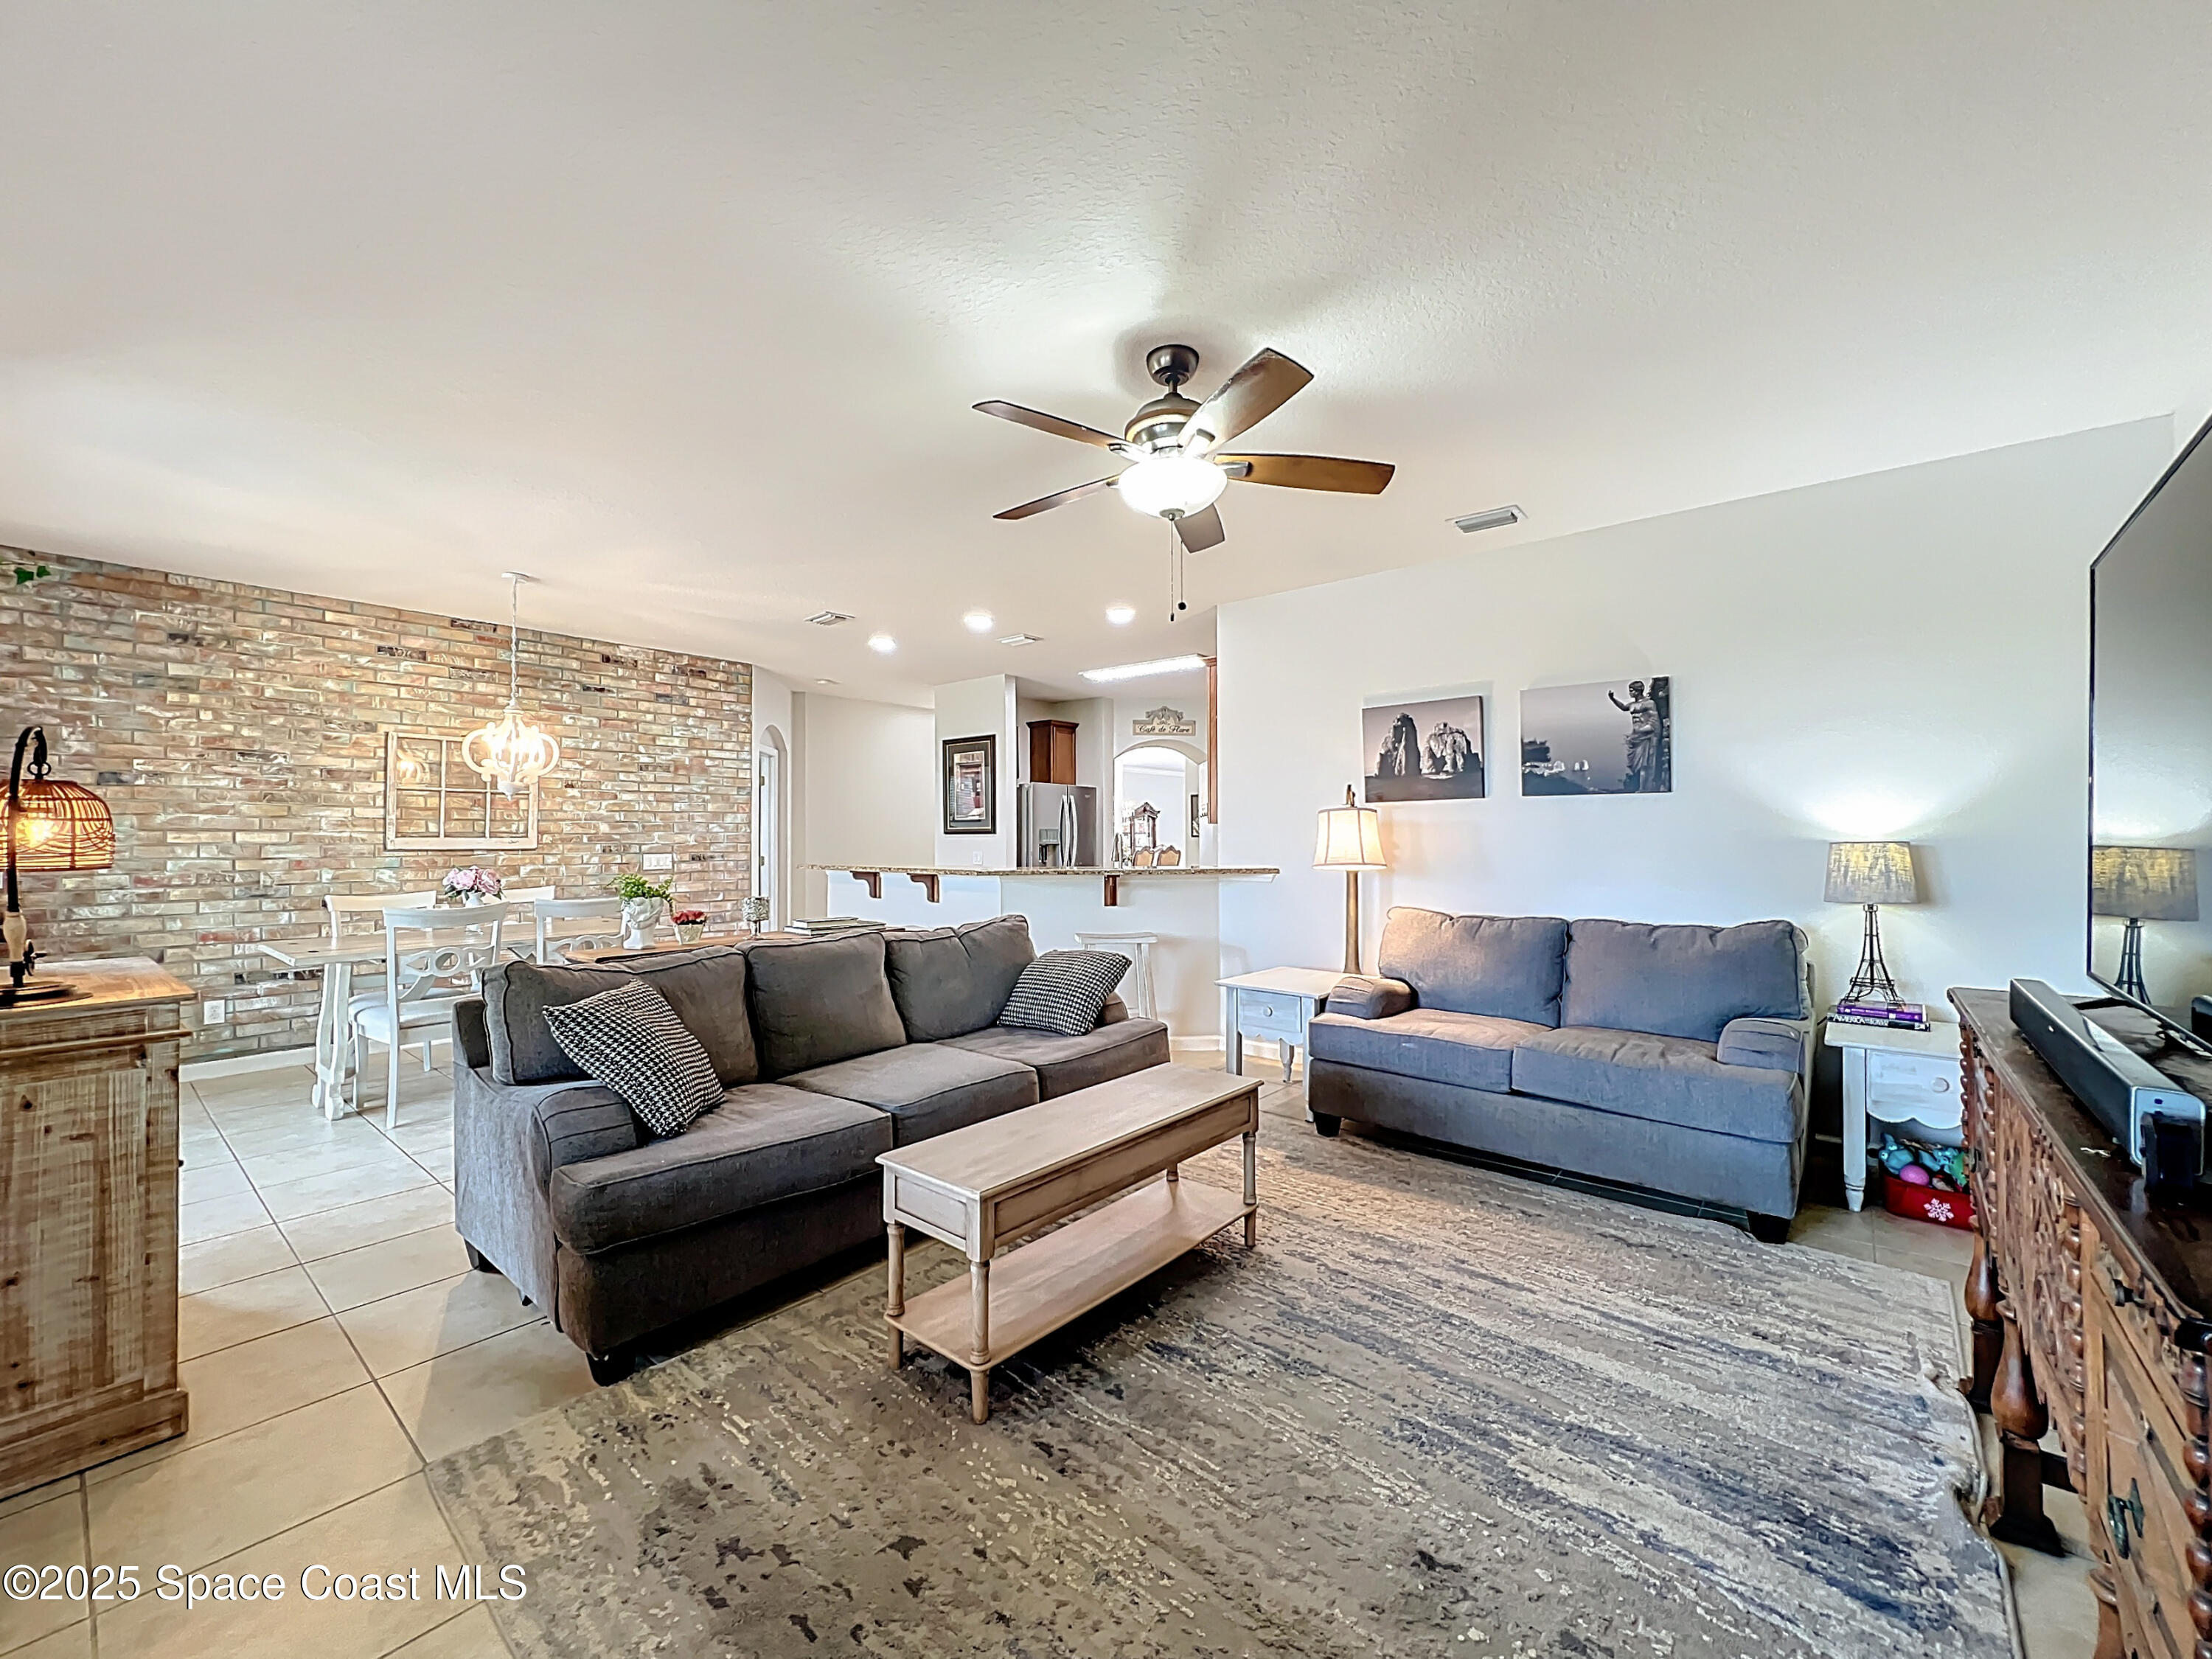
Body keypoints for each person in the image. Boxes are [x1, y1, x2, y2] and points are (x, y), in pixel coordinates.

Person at [1608, 681, 1661, 792]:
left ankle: (1644, 789)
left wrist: (1644, 730)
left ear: (1638, 691)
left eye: (1632, 691)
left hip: (1645, 736)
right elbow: (1623, 707)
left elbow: (1653, 721)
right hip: (1636, 737)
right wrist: (1613, 699)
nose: (1630, 693)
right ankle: (1639, 787)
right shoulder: (1632, 705)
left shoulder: (1649, 703)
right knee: (1636, 765)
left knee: (1645, 764)